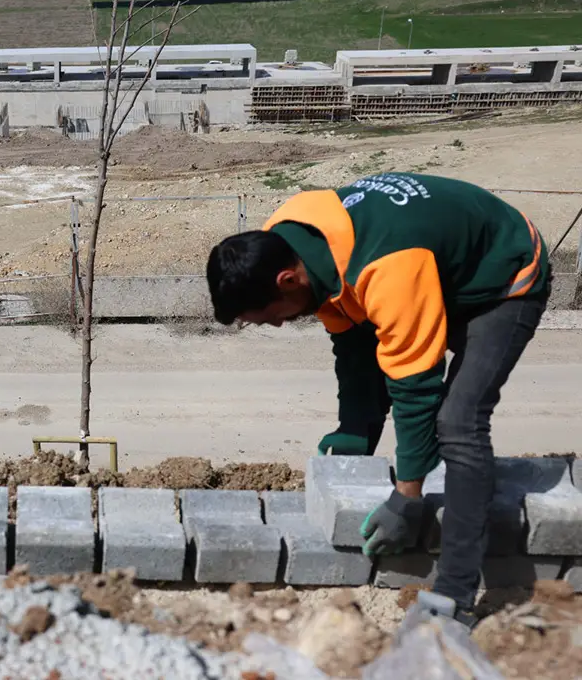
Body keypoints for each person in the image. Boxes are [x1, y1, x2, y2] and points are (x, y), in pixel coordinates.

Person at [205, 172, 550, 627]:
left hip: (502, 276)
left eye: (270, 317)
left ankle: (454, 595)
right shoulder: (288, 235)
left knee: (459, 422)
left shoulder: (386, 267)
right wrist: (355, 431)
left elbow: (415, 384)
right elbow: (354, 348)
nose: (279, 326)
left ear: (287, 279)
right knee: (425, 405)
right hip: (433, 267)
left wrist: (408, 496)